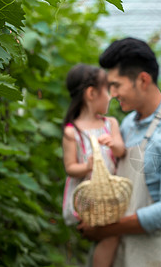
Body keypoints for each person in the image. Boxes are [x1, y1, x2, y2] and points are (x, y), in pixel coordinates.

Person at [77, 37, 161, 267]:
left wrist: (106, 228)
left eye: (116, 85)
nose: (112, 94)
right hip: (111, 249)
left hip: (143, 254)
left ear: (143, 79)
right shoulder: (128, 124)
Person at [61, 63, 126, 267]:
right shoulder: (73, 131)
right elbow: (70, 167)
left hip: (108, 193)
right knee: (109, 236)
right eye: (106, 90)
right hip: (88, 198)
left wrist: (114, 144)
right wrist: (87, 166)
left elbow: (121, 151)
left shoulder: (110, 124)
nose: (110, 95)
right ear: (91, 93)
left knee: (107, 235)